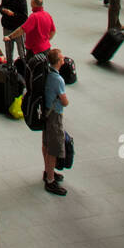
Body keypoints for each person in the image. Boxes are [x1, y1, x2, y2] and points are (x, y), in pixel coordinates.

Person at [42, 49, 69, 196]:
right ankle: (50, 180)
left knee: (46, 143)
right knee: (53, 149)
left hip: (46, 112)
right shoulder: (58, 79)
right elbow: (64, 101)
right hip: (55, 116)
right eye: (62, 59)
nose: (64, 61)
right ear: (57, 61)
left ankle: (48, 171)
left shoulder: (46, 73)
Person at [0, 0, 28, 66]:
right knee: (8, 49)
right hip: (7, 26)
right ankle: (9, 66)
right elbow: (1, 7)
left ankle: (23, 66)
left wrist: (13, 14)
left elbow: (24, 17)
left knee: (21, 50)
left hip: (18, 29)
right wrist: (4, 10)